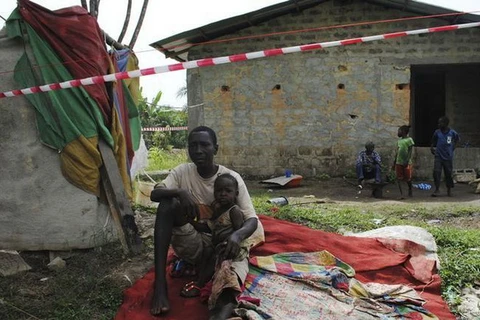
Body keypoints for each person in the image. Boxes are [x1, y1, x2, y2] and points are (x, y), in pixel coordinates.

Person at [149, 126, 264, 319]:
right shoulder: (182, 172)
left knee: (229, 279)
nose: (198, 150)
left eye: (204, 145)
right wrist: (180, 192)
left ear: (215, 149)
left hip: (224, 247)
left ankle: (221, 307)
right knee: (167, 205)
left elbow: (252, 220)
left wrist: (236, 235)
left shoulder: (231, 179)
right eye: (193, 145)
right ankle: (160, 286)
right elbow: (154, 194)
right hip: (195, 243)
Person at [180, 174, 251, 310]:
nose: (222, 194)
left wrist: (228, 240)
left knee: (213, 256)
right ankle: (203, 276)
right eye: (219, 191)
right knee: (206, 251)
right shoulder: (218, 211)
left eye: (227, 191)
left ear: (235, 194)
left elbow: (239, 235)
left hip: (232, 250)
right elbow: (208, 226)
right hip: (217, 246)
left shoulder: (234, 211)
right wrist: (191, 222)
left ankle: (200, 284)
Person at [430, 116, 460, 197]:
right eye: (438, 123)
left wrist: (453, 148)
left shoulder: (452, 133)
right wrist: (432, 148)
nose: (439, 124)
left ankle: (449, 190)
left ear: (446, 123)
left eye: (440, 123)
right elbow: (433, 141)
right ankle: (437, 189)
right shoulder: (437, 132)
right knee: (436, 172)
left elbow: (457, 140)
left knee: (448, 174)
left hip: (448, 157)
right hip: (438, 156)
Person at [392, 125, 415, 199]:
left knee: (408, 179)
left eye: (399, 131)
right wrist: (394, 162)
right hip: (399, 162)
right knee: (399, 179)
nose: (398, 132)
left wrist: (407, 160)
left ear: (404, 132)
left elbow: (410, 151)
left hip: (406, 162)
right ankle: (401, 194)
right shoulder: (399, 141)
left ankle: (410, 190)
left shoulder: (409, 140)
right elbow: (397, 152)